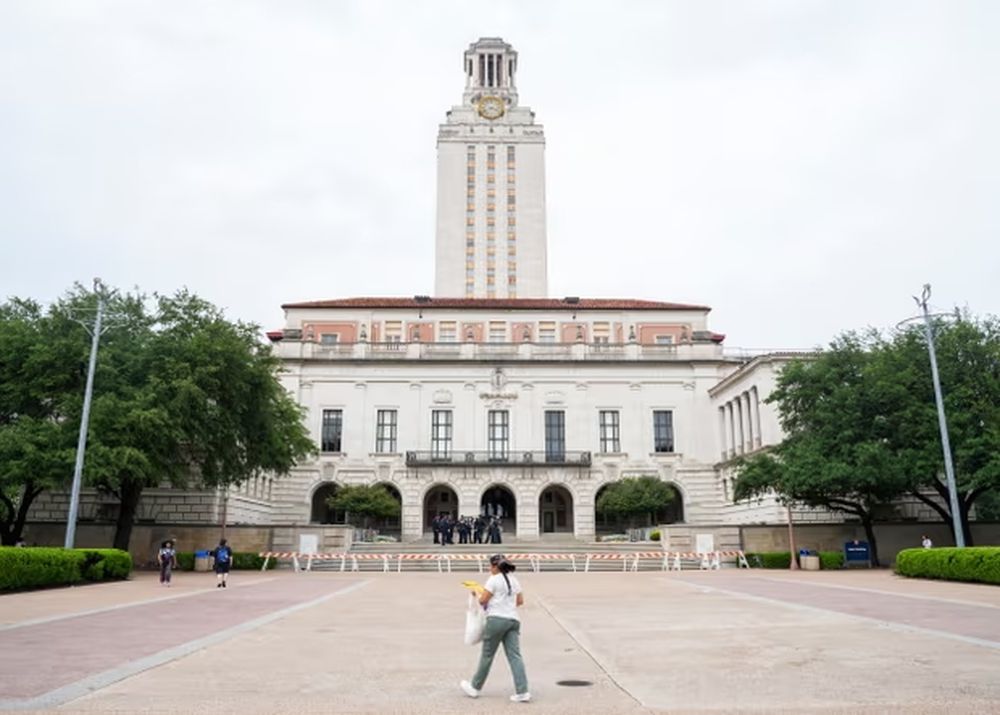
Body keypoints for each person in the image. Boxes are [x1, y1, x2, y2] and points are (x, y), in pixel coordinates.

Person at [461, 554, 530, 703]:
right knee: (514, 656)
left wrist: (477, 593)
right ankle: (522, 690)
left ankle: (475, 686)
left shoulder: (493, 580)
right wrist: (505, 603)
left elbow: (483, 600)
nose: (489, 568)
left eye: (490, 566)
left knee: (487, 654)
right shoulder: (514, 579)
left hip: (496, 620)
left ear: (495, 566)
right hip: (513, 620)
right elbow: (520, 601)